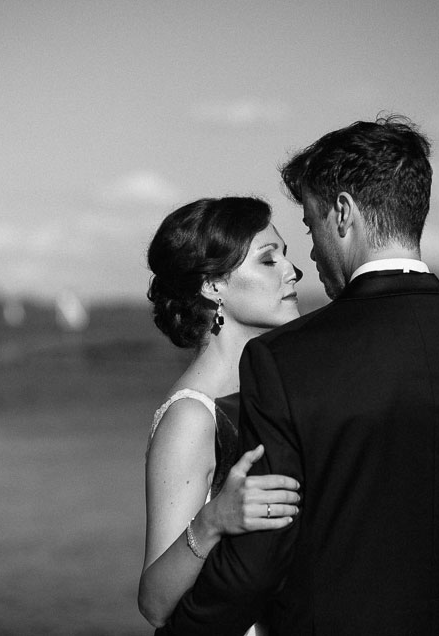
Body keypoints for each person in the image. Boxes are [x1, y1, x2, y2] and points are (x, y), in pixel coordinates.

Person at [156, 115, 439, 635]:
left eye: (309, 225)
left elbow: (261, 559)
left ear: (343, 214)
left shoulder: (284, 361)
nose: (307, 254)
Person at [140, 197, 304, 634]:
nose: (292, 271)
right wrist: (214, 520)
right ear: (213, 286)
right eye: (269, 260)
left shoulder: (270, 393)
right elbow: (155, 604)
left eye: (285, 254)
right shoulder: (191, 416)